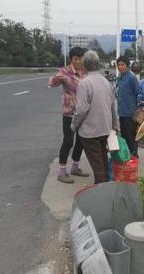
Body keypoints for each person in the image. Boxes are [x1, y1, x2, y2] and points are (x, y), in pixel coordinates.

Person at [72, 50, 120, 184]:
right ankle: (105, 185)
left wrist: (74, 125)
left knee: (97, 165)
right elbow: (113, 107)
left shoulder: (84, 83)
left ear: (84, 65)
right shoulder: (107, 83)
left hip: (89, 132)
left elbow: (81, 110)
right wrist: (116, 126)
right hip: (105, 128)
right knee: (103, 160)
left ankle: (102, 191)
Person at [48, 47, 89, 184]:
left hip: (83, 112)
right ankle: (62, 171)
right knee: (68, 141)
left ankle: (75, 167)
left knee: (82, 141)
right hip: (69, 112)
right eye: (76, 59)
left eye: (80, 59)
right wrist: (56, 78)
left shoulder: (85, 71)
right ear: (71, 59)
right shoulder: (65, 72)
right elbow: (52, 83)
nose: (78, 61)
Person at [116, 56, 142, 157]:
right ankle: (127, 155)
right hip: (121, 112)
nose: (120, 67)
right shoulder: (120, 78)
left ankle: (134, 156)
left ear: (127, 66)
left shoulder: (131, 78)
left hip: (131, 113)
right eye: (118, 65)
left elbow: (139, 93)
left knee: (131, 137)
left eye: (122, 65)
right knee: (124, 136)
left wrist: (139, 110)